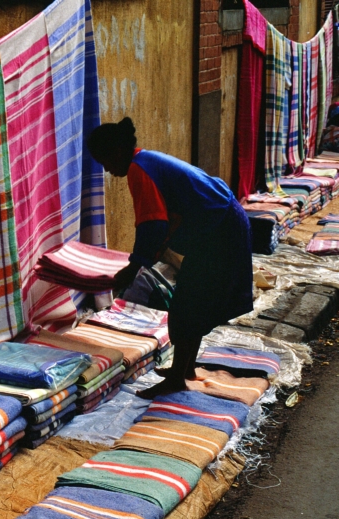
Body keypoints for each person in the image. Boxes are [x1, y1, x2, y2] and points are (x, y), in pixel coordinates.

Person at [86, 117, 253, 399]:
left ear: (117, 152)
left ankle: (177, 378)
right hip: (223, 223)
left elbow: (153, 224)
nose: (107, 170)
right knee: (192, 302)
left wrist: (134, 267)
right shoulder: (147, 161)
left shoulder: (139, 169)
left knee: (186, 307)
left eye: (105, 162)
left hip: (221, 231)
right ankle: (185, 370)